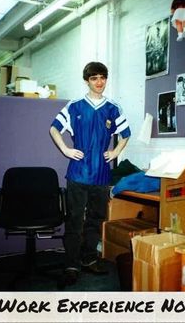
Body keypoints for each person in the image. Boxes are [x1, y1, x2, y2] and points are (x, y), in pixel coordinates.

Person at [50, 62, 131, 287]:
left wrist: (115, 152)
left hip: (102, 175)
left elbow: (126, 133)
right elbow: (54, 128)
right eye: (94, 78)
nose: (99, 82)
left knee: (96, 220)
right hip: (78, 174)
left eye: (102, 77)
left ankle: (88, 259)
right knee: (75, 220)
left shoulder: (113, 108)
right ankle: (71, 264)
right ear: (87, 80)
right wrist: (65, 149)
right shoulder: (75, 106)